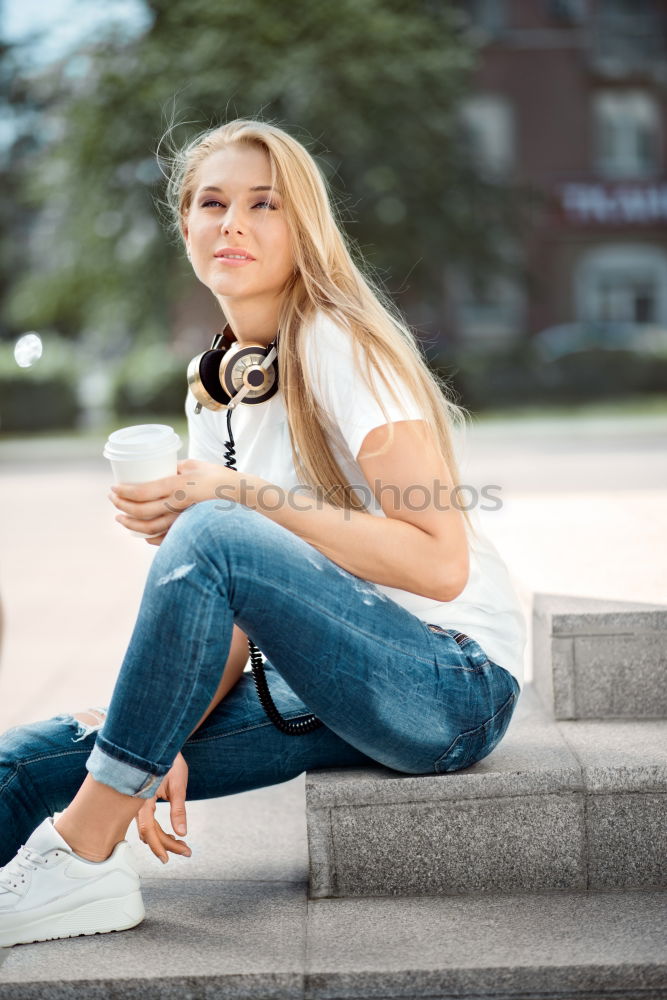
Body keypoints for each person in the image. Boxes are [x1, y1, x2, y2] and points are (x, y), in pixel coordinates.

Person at [0, 118, 526, 948]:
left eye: (262, 204)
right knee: (19, 763)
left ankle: (81, 858)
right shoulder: (217, 385)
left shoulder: (338, 344)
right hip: (321, 683)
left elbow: (441, 561)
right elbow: (232, 612)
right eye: (212, 202)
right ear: (186, 226)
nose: (232, 223)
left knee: (212, 528)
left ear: (302, 228)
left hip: (449, 684)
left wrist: (238, 498)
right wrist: (154, 734)